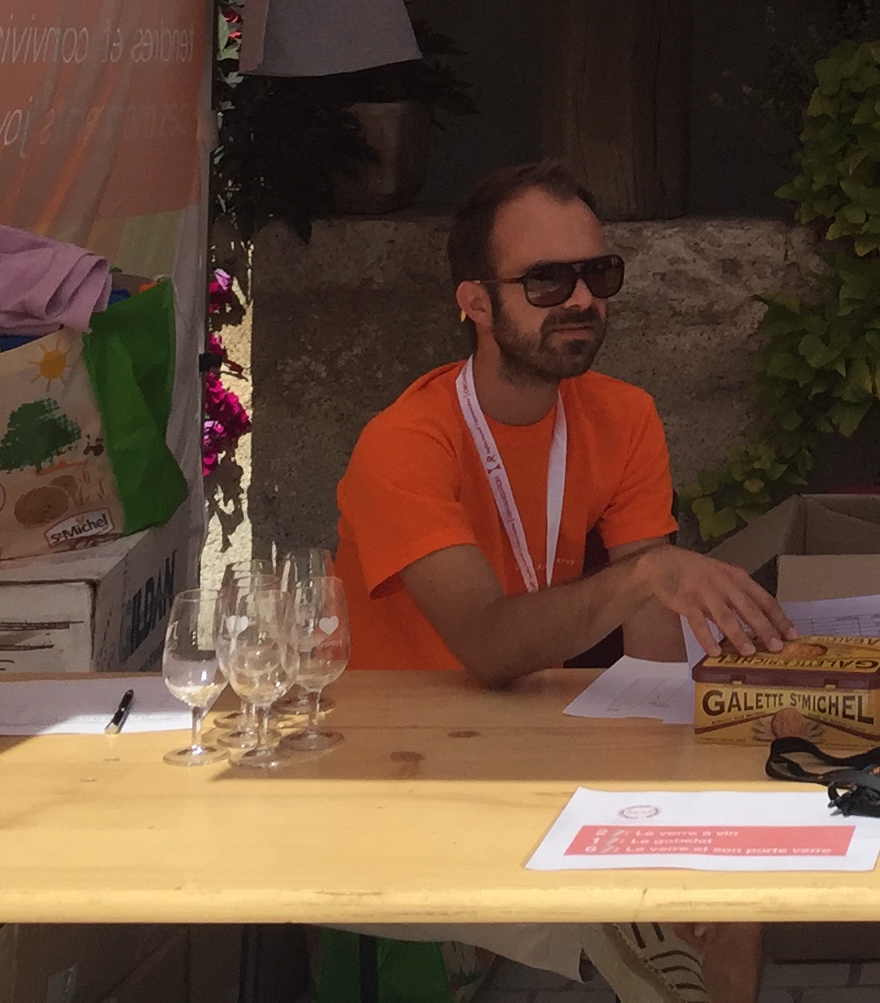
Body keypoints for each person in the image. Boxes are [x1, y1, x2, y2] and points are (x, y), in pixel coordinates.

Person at [336, 160, 791, 1003]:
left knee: (738, 885)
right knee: (669, 919)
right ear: (476, 303)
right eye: (547, 280)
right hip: (409, 772)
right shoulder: (404, 443)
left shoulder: (624, 416)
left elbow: (653, 665)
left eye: (599, 273)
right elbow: (488, 644)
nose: (582, 299)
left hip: (543, 750)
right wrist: (645, 576)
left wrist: (713, 765)